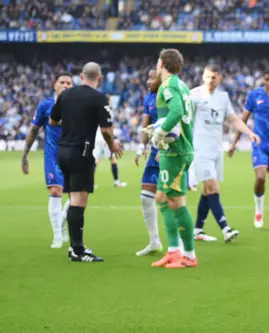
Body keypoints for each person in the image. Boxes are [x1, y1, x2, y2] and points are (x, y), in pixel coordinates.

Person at [50, 62, 122, 262]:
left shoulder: (65, 95)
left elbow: (53, 121)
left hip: (62, 151)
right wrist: (112, 145)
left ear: (81, 76)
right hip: (82, 152)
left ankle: (76, 247)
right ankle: (77, 250)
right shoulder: (99, 97)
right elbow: (106, 130)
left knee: (74, 197)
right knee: (78, 201)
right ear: (99, 78)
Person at [190, 65, 260, 243]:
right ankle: (226, 229)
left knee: (207, 191)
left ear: (219, 78)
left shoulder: (223, 97)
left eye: (213, 77)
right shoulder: (193, 95)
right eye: (207, 77)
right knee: (213, 187)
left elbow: (234, 119)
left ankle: (197, 230)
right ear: (203, 77)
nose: (210, 81)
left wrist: (249, 133)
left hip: (216, 150)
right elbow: (184, 120)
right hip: (200, 150)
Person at [147, 48, 197, 269]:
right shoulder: (182, 85)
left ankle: (189, 256)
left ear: (161, 63)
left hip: (177, 151)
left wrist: (161, 132)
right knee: (161, 197)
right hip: (172, 149)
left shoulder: (168, 85)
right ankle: (173, 252)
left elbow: (176, 111)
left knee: (176, 201)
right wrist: (159, 128)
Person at [229, 67, 269, 232]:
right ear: (263, 80)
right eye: (266, 79)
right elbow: (242, 120)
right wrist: (234, 143)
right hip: (259, 144)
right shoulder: (254, 95)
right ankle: (258, 210)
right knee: (260, 178)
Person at [21, 72, 73, 249]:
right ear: (54, 85)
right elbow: (34, 130)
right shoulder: (45, 105)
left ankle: (63, 223)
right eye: (62, 82)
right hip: (53, 155)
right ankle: (57, 236)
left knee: (76, 196)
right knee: (56, 191)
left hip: (73, 154)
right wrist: (24, 154)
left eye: (69, 83)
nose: (65, 85)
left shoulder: (78, 106)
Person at [135, 69, 163, 256]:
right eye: (148, 78)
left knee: (172, 200)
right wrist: (140, 147)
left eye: (152, 78)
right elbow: (146, 126)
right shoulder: (149, 98)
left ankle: (183, 247)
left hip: (171, 152)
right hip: (155, 152)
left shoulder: (170, 95)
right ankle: (154, 241)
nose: (148, 81)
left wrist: (165, 148)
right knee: (146, 197)